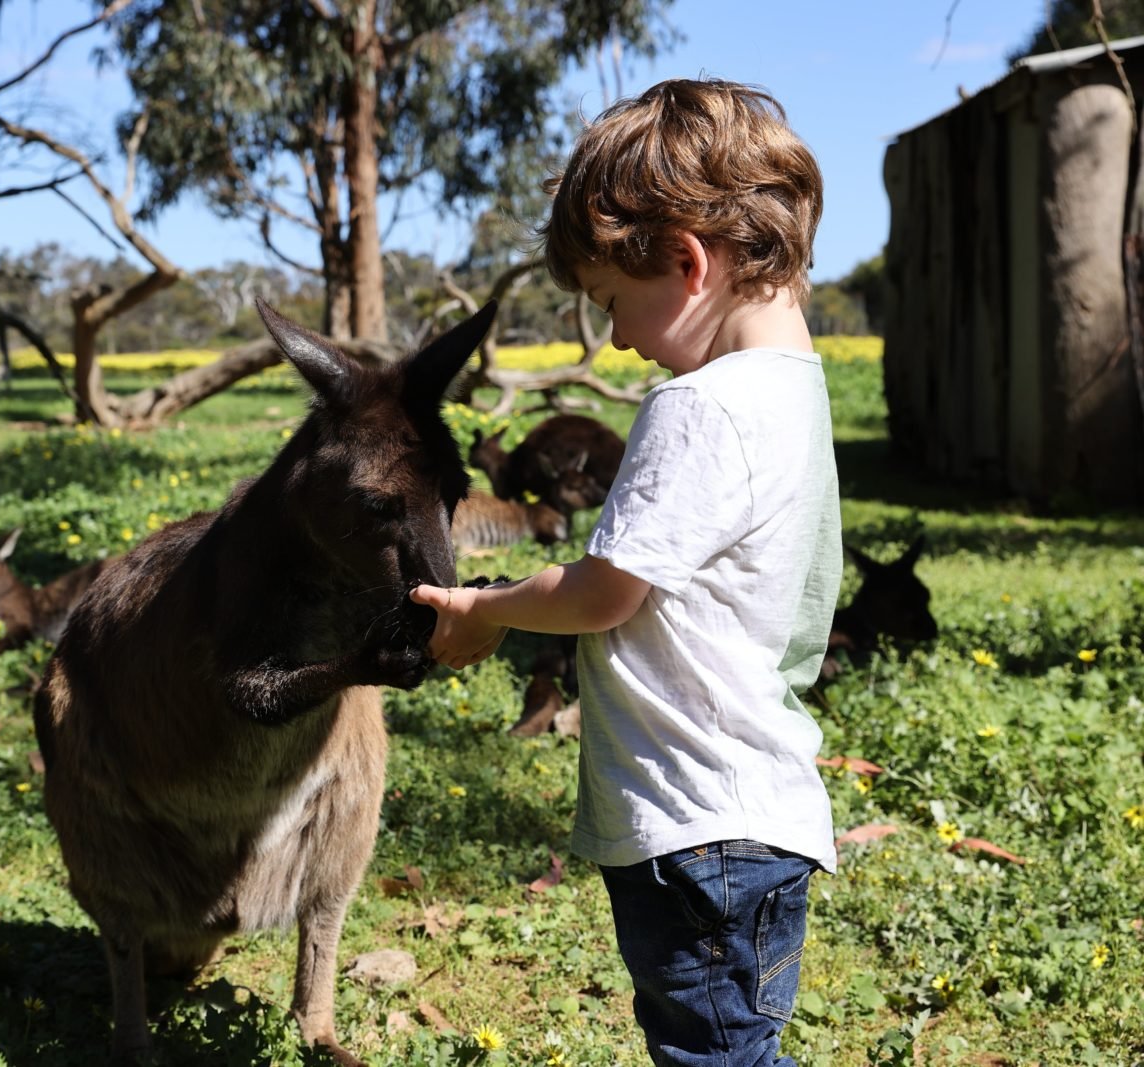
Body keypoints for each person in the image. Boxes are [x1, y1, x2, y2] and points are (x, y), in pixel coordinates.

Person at [410, 78, 841, 1067]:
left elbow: (607, 590)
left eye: (612, 302)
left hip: (695, 824)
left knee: (713, 1054)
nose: (616, 339)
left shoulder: (701, 408)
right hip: (756, 816)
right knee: (729, 1042)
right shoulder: (798, 398)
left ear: (688, 264)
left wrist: (487, 606)